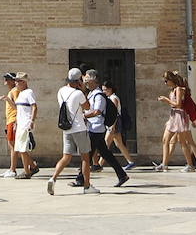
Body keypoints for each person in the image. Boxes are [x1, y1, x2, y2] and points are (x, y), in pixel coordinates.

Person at [70, 70, 128, 188]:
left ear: (93, 79)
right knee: (105, 153)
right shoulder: (92, 93)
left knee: (87, 153)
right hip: (94, 128)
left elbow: (97, 111)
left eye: (86, 78)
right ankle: (122, 175)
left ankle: (80, 179)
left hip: (96, 128)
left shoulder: (98, 95)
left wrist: (84, 116)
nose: (85, 81)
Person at [47, 67, 96, 195]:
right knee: (85, 157)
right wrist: (82, 89)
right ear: (78, 81)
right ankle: (87, 186)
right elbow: (88, 107)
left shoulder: (61, 91)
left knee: (66, 157)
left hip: (67, 129)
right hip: (79, 128)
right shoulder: (78, 93)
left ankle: (53, 178)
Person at [153, 70, 196, 172]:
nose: (165, 83)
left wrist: (166, 100)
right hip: (173, 116)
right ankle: (164, 164)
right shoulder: (173, 90)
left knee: (182, 142)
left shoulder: (179, 89)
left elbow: (178, 104)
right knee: (165, 140)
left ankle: (190, 165)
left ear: (171, 80)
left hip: (179, 116)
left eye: (166, 81)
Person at [100, 80, 135, 169]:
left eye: (105, 90)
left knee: (105, 144)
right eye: (103, 90)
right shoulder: (110, 98)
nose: (104, 92)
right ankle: (130, 161)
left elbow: (114, 113)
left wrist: (112, 125)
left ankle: (99, 165)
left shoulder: (113, 98)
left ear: (110, 89)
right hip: (113, 122)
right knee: (119, 144)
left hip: (114, 122)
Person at [11, 73, 39, 178]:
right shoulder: (21, 93)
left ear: (24, 82)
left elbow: (34, 107)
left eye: (18, 81)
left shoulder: (29, 92)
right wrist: (16, 122)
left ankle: (27, 172)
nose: (16, 83)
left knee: (22, 149)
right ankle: (32, 166)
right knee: (19, 148)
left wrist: (31, 121)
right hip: (20, 123)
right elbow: (19, 110)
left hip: (25, 124)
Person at [0, 72, 20, 177]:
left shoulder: (15, 91)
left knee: (13, 146)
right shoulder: (12, 91)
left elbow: (17, 107)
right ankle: (32, 166)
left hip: (13, 120)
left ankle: (13, 170)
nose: (5, 81)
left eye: (7, 79)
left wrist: (7, 99)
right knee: (13, 145)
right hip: (10, 120)